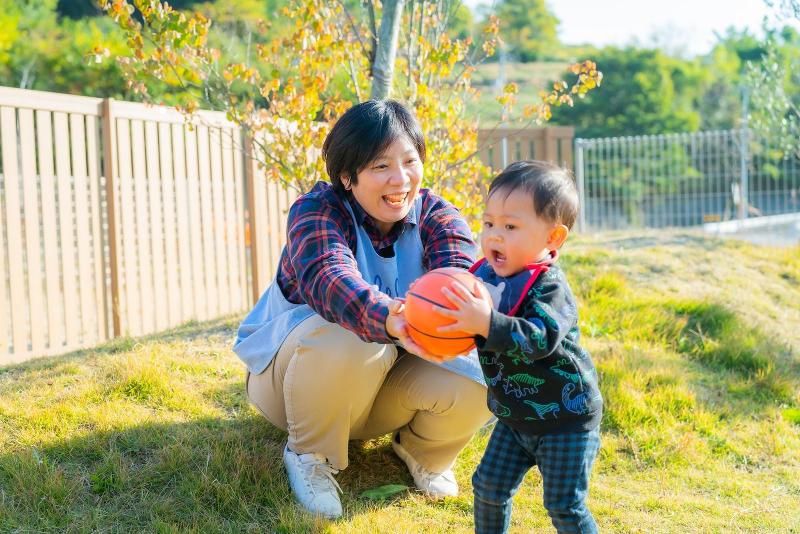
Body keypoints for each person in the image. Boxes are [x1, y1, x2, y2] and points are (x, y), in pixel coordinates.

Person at [233, 100, 491, 519]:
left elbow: (460, 280)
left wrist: (464, 313)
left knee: (481, 365)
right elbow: (329, 279)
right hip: (292, 385)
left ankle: (424, 452)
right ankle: (310, 454)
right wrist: (391, 317)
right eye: (380, 166)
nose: (400, 178)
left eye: (410, 161)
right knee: (348, 332)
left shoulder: (438, 216)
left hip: (380, 388)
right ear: (347, 176)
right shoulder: (316, 211)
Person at [431, 160, 603, 533]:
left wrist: (486, 323)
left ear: (553, 238)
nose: (495, 236)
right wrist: (425, 319)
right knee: (488, 488)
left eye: (510, 227)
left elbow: (539, 339)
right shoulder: (484, 278)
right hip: (513, 416)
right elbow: (455, 317)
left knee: (564, 506)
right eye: (489, 223)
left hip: (566, 419)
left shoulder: (549, 287)